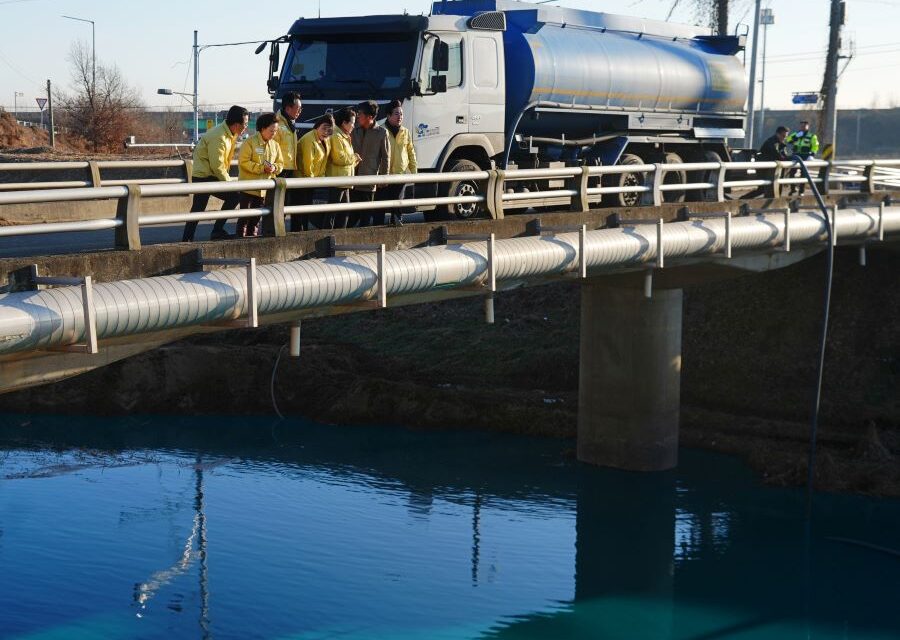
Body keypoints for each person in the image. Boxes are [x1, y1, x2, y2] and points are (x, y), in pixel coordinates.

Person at [182, 105, 249, 241]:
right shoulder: (219, 136)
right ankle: (213, 232)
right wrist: (230, 184)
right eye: (245, 124)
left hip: (208, 174)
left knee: (198, 209)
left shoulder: (229, 133)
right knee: (233, 196)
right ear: (236, 125)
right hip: (204, 176)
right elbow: (217, 166)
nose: (246, 127)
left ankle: (190, 238)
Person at [236, 112, 283, 237]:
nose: (274, 134)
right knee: (244, 220)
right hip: (248, 189)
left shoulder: (275, 145)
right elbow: (244, 162)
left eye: (276, 131)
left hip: (264, 190)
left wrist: (275, 168)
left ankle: (253, 243)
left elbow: (281, 163)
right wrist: (261, 168)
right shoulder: (250, 142)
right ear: (262, 129)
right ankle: (240, 243)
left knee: (256, 220)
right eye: (272, 131)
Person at [350, 100, 390, 227]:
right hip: (352, 180)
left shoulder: (382, 133)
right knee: (350, 216)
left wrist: (384, 177)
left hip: (369, 180)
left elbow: (386, 157)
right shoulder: (354, 130)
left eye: (360, 114)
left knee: (365, 218)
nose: (357, 116)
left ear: (370, 117)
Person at [380, 99, 417, 226]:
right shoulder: (381, 131)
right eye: (396, 114)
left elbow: (411, 151)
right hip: (386, 174)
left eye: (401, 114)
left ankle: (397, 221)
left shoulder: (405, 132)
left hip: (400, 174)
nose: (400, 116)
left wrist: (414, 171)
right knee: (383, 203)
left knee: (398, 201)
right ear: (388, 115)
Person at [324, 107, 361, 229]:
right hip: (338, 180)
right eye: (352, 123)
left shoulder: (343, 135)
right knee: (333, 214)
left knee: (344, 213)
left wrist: (354, 160)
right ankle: (328, 239)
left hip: (345, 180)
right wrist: (354, 158)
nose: (353, 126)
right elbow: (339, 158)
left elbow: (345, 160)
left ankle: (339, 238)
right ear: (344, 123)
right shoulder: (336, 135)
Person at [298, 113, 334, 230]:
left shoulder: (325, 140)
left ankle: (304, 231)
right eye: (324, 128)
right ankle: (301, 232)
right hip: (303, 180)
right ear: (317, 126)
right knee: (301, 210)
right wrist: (312, 181)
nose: (325, 132)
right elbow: (308, 163)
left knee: (307, 209)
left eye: (329, 130)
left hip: (313, 180)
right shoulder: (309, 139)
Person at [275, 92, 304, 230]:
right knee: (279, 205)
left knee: (290, 204)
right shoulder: (276, 124)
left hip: (291, 169)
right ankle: (275, 232)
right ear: (287, 108)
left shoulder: (289, 122)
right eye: (298, 109)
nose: (300, 112)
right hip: (280, 171)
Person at [741, 125, 790, 200]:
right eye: (783, 136)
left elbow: (783, 155)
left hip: (770, 168)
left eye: (785, 136)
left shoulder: (780, 143)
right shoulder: (772, 142)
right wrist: (787, 159)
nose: (784, 138)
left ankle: (744, 199)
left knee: (770, 187)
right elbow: (777, 154)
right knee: (763, 188)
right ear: (777, 134)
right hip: (764, 168)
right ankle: (743, 199)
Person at [786, 120, 820, 195]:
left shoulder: (812, 136)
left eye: (804, 126)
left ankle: (801, 191)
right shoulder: (796, 134)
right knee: (792, 173)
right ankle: (793, 189)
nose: (802, 127)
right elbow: (788, 140)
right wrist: (796, 136)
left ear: (808, 127)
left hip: (805, 156)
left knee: (803, 174)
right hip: (796, 155)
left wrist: (812, 154)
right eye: (801, 125)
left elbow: (815, 146)